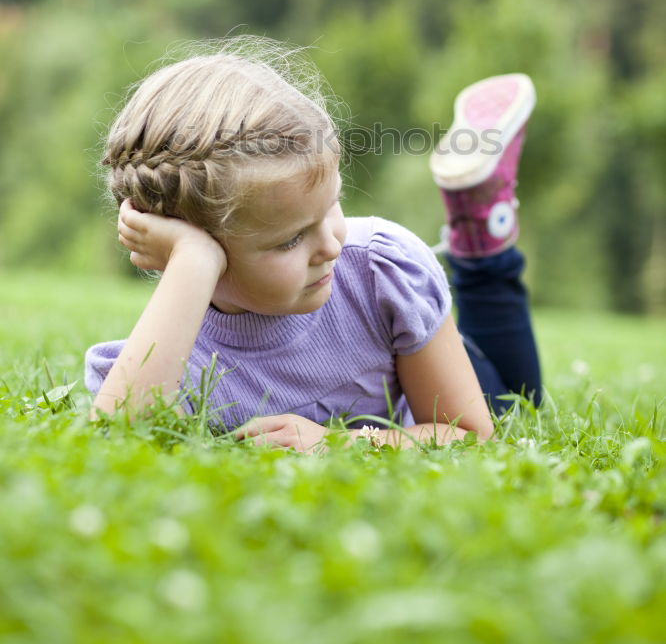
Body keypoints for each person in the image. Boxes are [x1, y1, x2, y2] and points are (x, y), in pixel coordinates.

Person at [85, 38, 541, 452]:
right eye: (291, 240)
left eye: (332, 206)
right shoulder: (168, 352)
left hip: (430, 369)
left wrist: (341, 444)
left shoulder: (381, 270)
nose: (330, 247)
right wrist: (192, 264)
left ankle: (482, 234)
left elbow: (467, 434)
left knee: (521, 399)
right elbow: (121, 444)